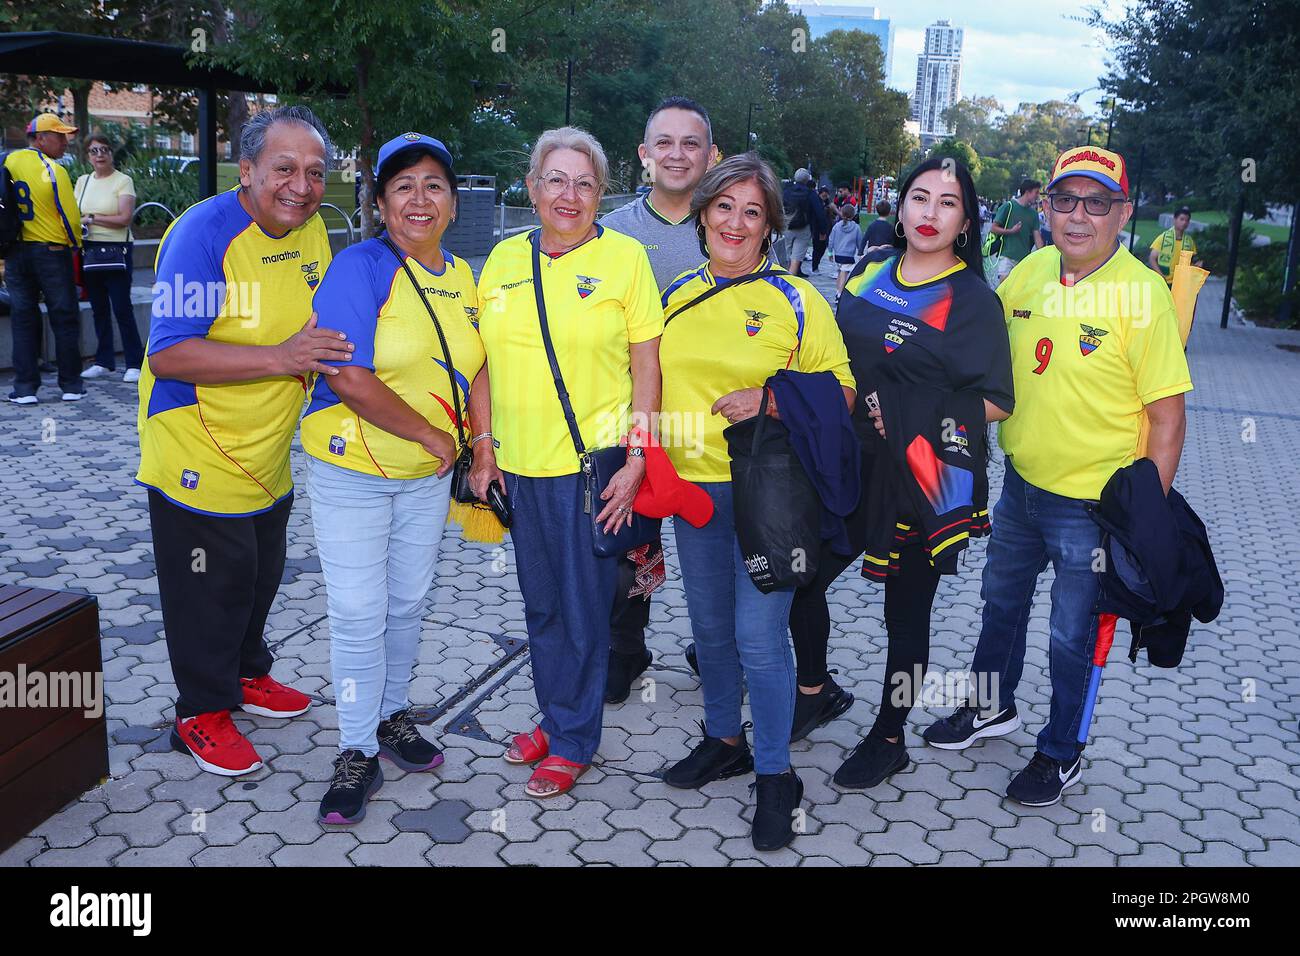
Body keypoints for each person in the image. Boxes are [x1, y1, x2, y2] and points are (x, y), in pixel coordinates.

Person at [924, 145, 1192, 806]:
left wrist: (1145, 520)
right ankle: (991, 707)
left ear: (1122, 213)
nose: (1078, 216)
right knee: (1000, 604)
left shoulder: (1144, 296)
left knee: (1072, 634)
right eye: (1065, 200)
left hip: (1095, 506)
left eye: (1096, 203)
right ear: (1046, 206)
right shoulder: (1033, 270)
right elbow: (980, 340)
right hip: (1021, 486)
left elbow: (1167, 418)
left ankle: (1061, 750)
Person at [789, 156, 1014, 785]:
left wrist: (913, 415)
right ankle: (815, 690)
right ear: (901, 204)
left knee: (906, 615)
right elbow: (833, 355)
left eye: (947, 203)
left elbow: (997, 399)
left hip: (923, 474)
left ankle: (890, 737)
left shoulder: (973, 300)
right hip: (847, 464)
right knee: (799, 577)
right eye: (920, 197)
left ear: (967, 219)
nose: (929, 213)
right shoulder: (868, 272)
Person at [137, 105, 347, 776]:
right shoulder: (202, 234)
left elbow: (314, 327)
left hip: (268, 446)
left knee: (257, 576)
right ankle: (200, 710)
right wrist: (284, 358)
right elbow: (170, 355)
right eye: (284, 169)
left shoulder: (312, 229)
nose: (302, 185)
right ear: (248, 169)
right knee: (208, 586)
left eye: (316, 172)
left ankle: (245, 675)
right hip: (198, 443)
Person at [658, 152, 855, 850]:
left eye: (752, 211)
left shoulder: (797, 299)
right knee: (709, 631)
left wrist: (771, 398)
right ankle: (723, 739)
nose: (735, 223)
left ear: (770, 224)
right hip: (691, 491)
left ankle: (777, 774)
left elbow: (844, 392)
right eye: (723, 208)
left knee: (758, 637)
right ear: (702, 214)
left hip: (770, 494)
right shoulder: (675, 293)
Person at [470, 127, 663, 799]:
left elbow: (647, 368)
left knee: (584, 612)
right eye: (555, 179)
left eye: (584, 182)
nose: (569, 194)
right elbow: (483, 364)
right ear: (532, 188)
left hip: (590, 472)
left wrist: (638, 460)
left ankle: (577, 738)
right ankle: (557, 717)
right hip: (518, 469)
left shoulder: (626, 260)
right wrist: (484, 448)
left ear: (601, 193)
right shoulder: (499, 261)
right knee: (543, 608)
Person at [299, 133, 482, 824]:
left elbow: (480, 364)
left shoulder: (464, 276)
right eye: (403, 186)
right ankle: (354, 750)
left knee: (407, 603)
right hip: (353, 469)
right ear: (379, 202)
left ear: (453, 201)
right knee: (357, 611)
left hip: (423, 477)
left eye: (434, 184)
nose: (419, 198)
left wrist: (481, 441)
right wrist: (437, 435)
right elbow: (345, 374)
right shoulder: (360, 267)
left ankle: (391, 716)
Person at [599, 96, 718, 703]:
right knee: (631, 544)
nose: (677, 154)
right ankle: (626, 645)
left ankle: (716, 645)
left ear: (710, 154)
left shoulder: (731, 227)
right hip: (633, 416)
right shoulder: (613, 233)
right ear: (644, 155)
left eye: (690, 142)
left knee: (717, 538)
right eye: (663, 143)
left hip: (710, 421)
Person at [4, 113, 84, 404]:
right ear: (40, 139)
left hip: (15, 252)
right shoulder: (53, 169)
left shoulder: (8, 162)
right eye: (58, 136)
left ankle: (25, 388)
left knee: (22, 317)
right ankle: (71, 385)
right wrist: (75, 245)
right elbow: (70, 217)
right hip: (52, 252)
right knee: (64, 317)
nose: (64, 142)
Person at [75, 133, 143, 384]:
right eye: (94, 151)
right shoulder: (82, 181)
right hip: (90, 248)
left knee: (122, 307)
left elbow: (124, 217)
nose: (100, 154)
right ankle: (104, 361)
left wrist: (92, 218)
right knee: (98, 308)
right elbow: (74, 213)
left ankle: (134, 362)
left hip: (117, 249)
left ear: (111, 153)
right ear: (88, 156)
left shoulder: (123, 181)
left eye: (104, 149)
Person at [988, 179, 1044, 289]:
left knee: (1019, 292)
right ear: (1027, 192)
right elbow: (993, 228)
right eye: (1036, 192)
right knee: (1004, 289)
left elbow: (1037, 238)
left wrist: (1044, 256)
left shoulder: (1033, 214)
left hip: (1024, 260)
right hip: (1007, 256)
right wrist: (1011, 231)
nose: (1038, 196)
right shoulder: (1008, 206)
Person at [1148, 205, 1201, 286]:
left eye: (1187, 220)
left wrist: (1196, 266)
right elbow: (1152, 258)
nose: (1184, 223)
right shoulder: (1163, 238)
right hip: (1164, 282)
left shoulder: (1189, 241)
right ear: (1174, 220)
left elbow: (1189, 264)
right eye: (1182, 219)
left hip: (1181, 283)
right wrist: (1161, 276)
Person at [782, 168, 819, 277]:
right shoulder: (810, 193)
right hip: (803, 227)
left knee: (786, 253)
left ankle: (782, 276)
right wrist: (822, 229)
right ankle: (791, 278)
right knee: (797, 256)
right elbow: (818, 211)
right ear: (807, 179)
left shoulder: (786, 191)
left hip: (787, 225)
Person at [828, 203, 860, 301]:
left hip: (838, 254)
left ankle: (838, 291)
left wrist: (830, 252)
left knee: (840, 272)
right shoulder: (856, 228)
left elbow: (831, 240)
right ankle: (839, 294)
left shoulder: (836, 226)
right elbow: (859, 242)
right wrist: (860, 252)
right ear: (853, 215)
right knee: (843, 273)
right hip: (848, 255)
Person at [811, 186, 833, 273]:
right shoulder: (817, 204)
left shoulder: (827, 204)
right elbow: (818, 217)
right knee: (817, 248)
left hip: (825, 228)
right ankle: (815, 266)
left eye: (826, 195)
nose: (825, 197)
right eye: (823, 195)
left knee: (822, 248)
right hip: (818, 229)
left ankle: (816, 265)